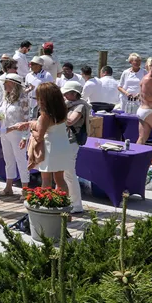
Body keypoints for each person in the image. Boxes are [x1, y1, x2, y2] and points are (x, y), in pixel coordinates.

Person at [9, 83, 71, 197]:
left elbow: (39, 136)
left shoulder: (45, 115)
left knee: (46, 180)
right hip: (63, 146)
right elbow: (44, 125)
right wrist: (30, 124)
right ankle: (64, 204)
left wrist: (31, 131)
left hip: (50, 149)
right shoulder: (62, 110)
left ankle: (45, 204)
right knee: (60, 179)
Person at [0, 74, 31, 197]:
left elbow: (27, 119)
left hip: (18, 134)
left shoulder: (23, 98)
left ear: (13, 84)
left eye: (6, 82)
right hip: (6, 131)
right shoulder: (6, 97)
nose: (4, 84)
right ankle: (8, 187)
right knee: (8, 160)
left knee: (21, 160)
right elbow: (2, 114)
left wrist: (25, 137)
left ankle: (25, 189)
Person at [62, 81, 92, 214]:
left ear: (75, 94)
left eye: (67, 93)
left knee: (69, 173)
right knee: (63, 173)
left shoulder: (80, 106)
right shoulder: (68, 104)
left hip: (72, 142)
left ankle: (76, 204)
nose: (64, 95)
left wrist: (57, 111)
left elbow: (70, 121)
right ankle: (66, 200)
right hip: (64, 141)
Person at [136, 58, 152, 144]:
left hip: (148, 111)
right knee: (142, 137)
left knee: (142, 138)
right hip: (147, 111)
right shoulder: (147, 80)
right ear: (150, 67)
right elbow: (146, 97)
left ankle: (137, 153)